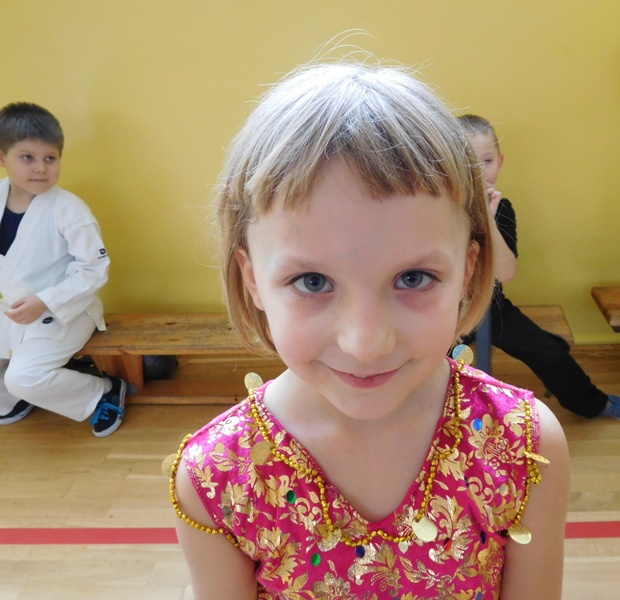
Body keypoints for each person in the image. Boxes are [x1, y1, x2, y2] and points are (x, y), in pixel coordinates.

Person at [168, 62, 570, 599]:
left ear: (469, 271)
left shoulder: (523, 445)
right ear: (253, 280)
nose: (365, 343)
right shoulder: (217, 476)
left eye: (413, 278)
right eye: (312, 281)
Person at [457, 114, 620, 423]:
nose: (479, 173)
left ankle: (592, 403)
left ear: (500, 162)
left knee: (551, 352)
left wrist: (487, 218)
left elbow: (505, 273)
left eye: (486, 162)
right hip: (449, 309)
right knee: (433, 367)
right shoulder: (438, 209)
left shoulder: (502, 209)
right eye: (468, 164)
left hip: (491, 304)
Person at [0, 102, 127, 436]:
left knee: (23, 376)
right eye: (27, 157)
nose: (40, 168)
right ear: (2, 158)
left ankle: (103, 390)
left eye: (50, 158)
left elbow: (94, 269)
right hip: (14, 307)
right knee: (15, 380)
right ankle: (13, 397)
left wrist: (45, 301)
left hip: (67, 310)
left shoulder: (69, 209)